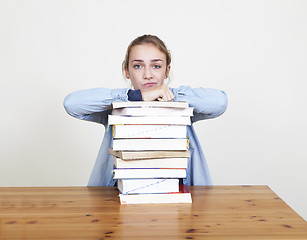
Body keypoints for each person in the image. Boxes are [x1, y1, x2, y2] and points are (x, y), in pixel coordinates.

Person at [64, 34, 227, 187]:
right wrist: (135, 96)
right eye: (138, 66)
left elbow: (219, 102)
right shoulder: (115, 109)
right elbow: (72, 104)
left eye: (156, 66)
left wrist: (171, 94)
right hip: (121, 195)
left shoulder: (182, 105)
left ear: (167, 71)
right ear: (127, 72)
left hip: (176, 194)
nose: (147, 74)